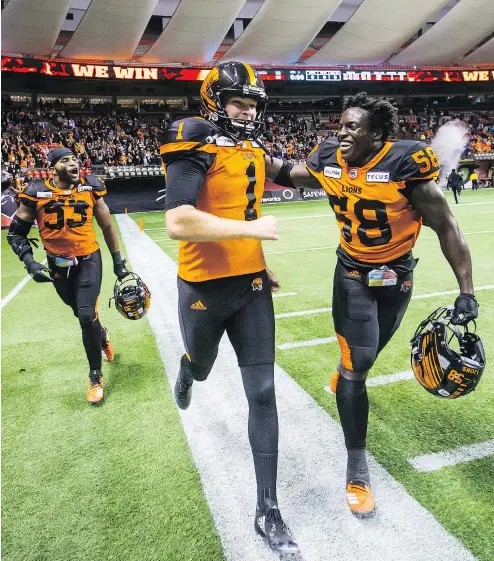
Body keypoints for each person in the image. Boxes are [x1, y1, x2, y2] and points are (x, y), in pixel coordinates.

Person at [265, 92, 478, 519]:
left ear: (377, 134)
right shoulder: (329, 157)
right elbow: (289, 174)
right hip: (352, 274)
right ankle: (357, 465)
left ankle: (348, 368)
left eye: (352, 127)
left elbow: (447, 227)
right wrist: (247, 149)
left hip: (396, 276)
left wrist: (466, 292)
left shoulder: (406, 166)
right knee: (358, 364)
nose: (341, 132)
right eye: (340, 124)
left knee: (372, 348)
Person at [161, 61, 298, 554]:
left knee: (263, 392)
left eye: (253, 103)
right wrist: (253, 233)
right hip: (202, 286)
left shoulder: (250, 146)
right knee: (202, 367)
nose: (247, 110)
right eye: (239, 101)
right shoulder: (192, 135)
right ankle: (188, 367)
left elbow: (291, 171)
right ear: (214, 100)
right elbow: (179, 221)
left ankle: (268, 508)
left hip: (252, 286)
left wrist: (352, 166)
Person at [7, 147, 130, 405]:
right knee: (83, 315)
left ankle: (95, 375)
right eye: (65, 160)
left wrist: (118, 262)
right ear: (53, 169)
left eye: (75, 159)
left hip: (88, 259)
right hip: (58, 265)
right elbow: (15, 233)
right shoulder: (36, 192)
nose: (74, 162)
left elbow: (107, 225)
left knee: (86, 314)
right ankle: (103, 336)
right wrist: (30, 263)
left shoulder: (91, 188)